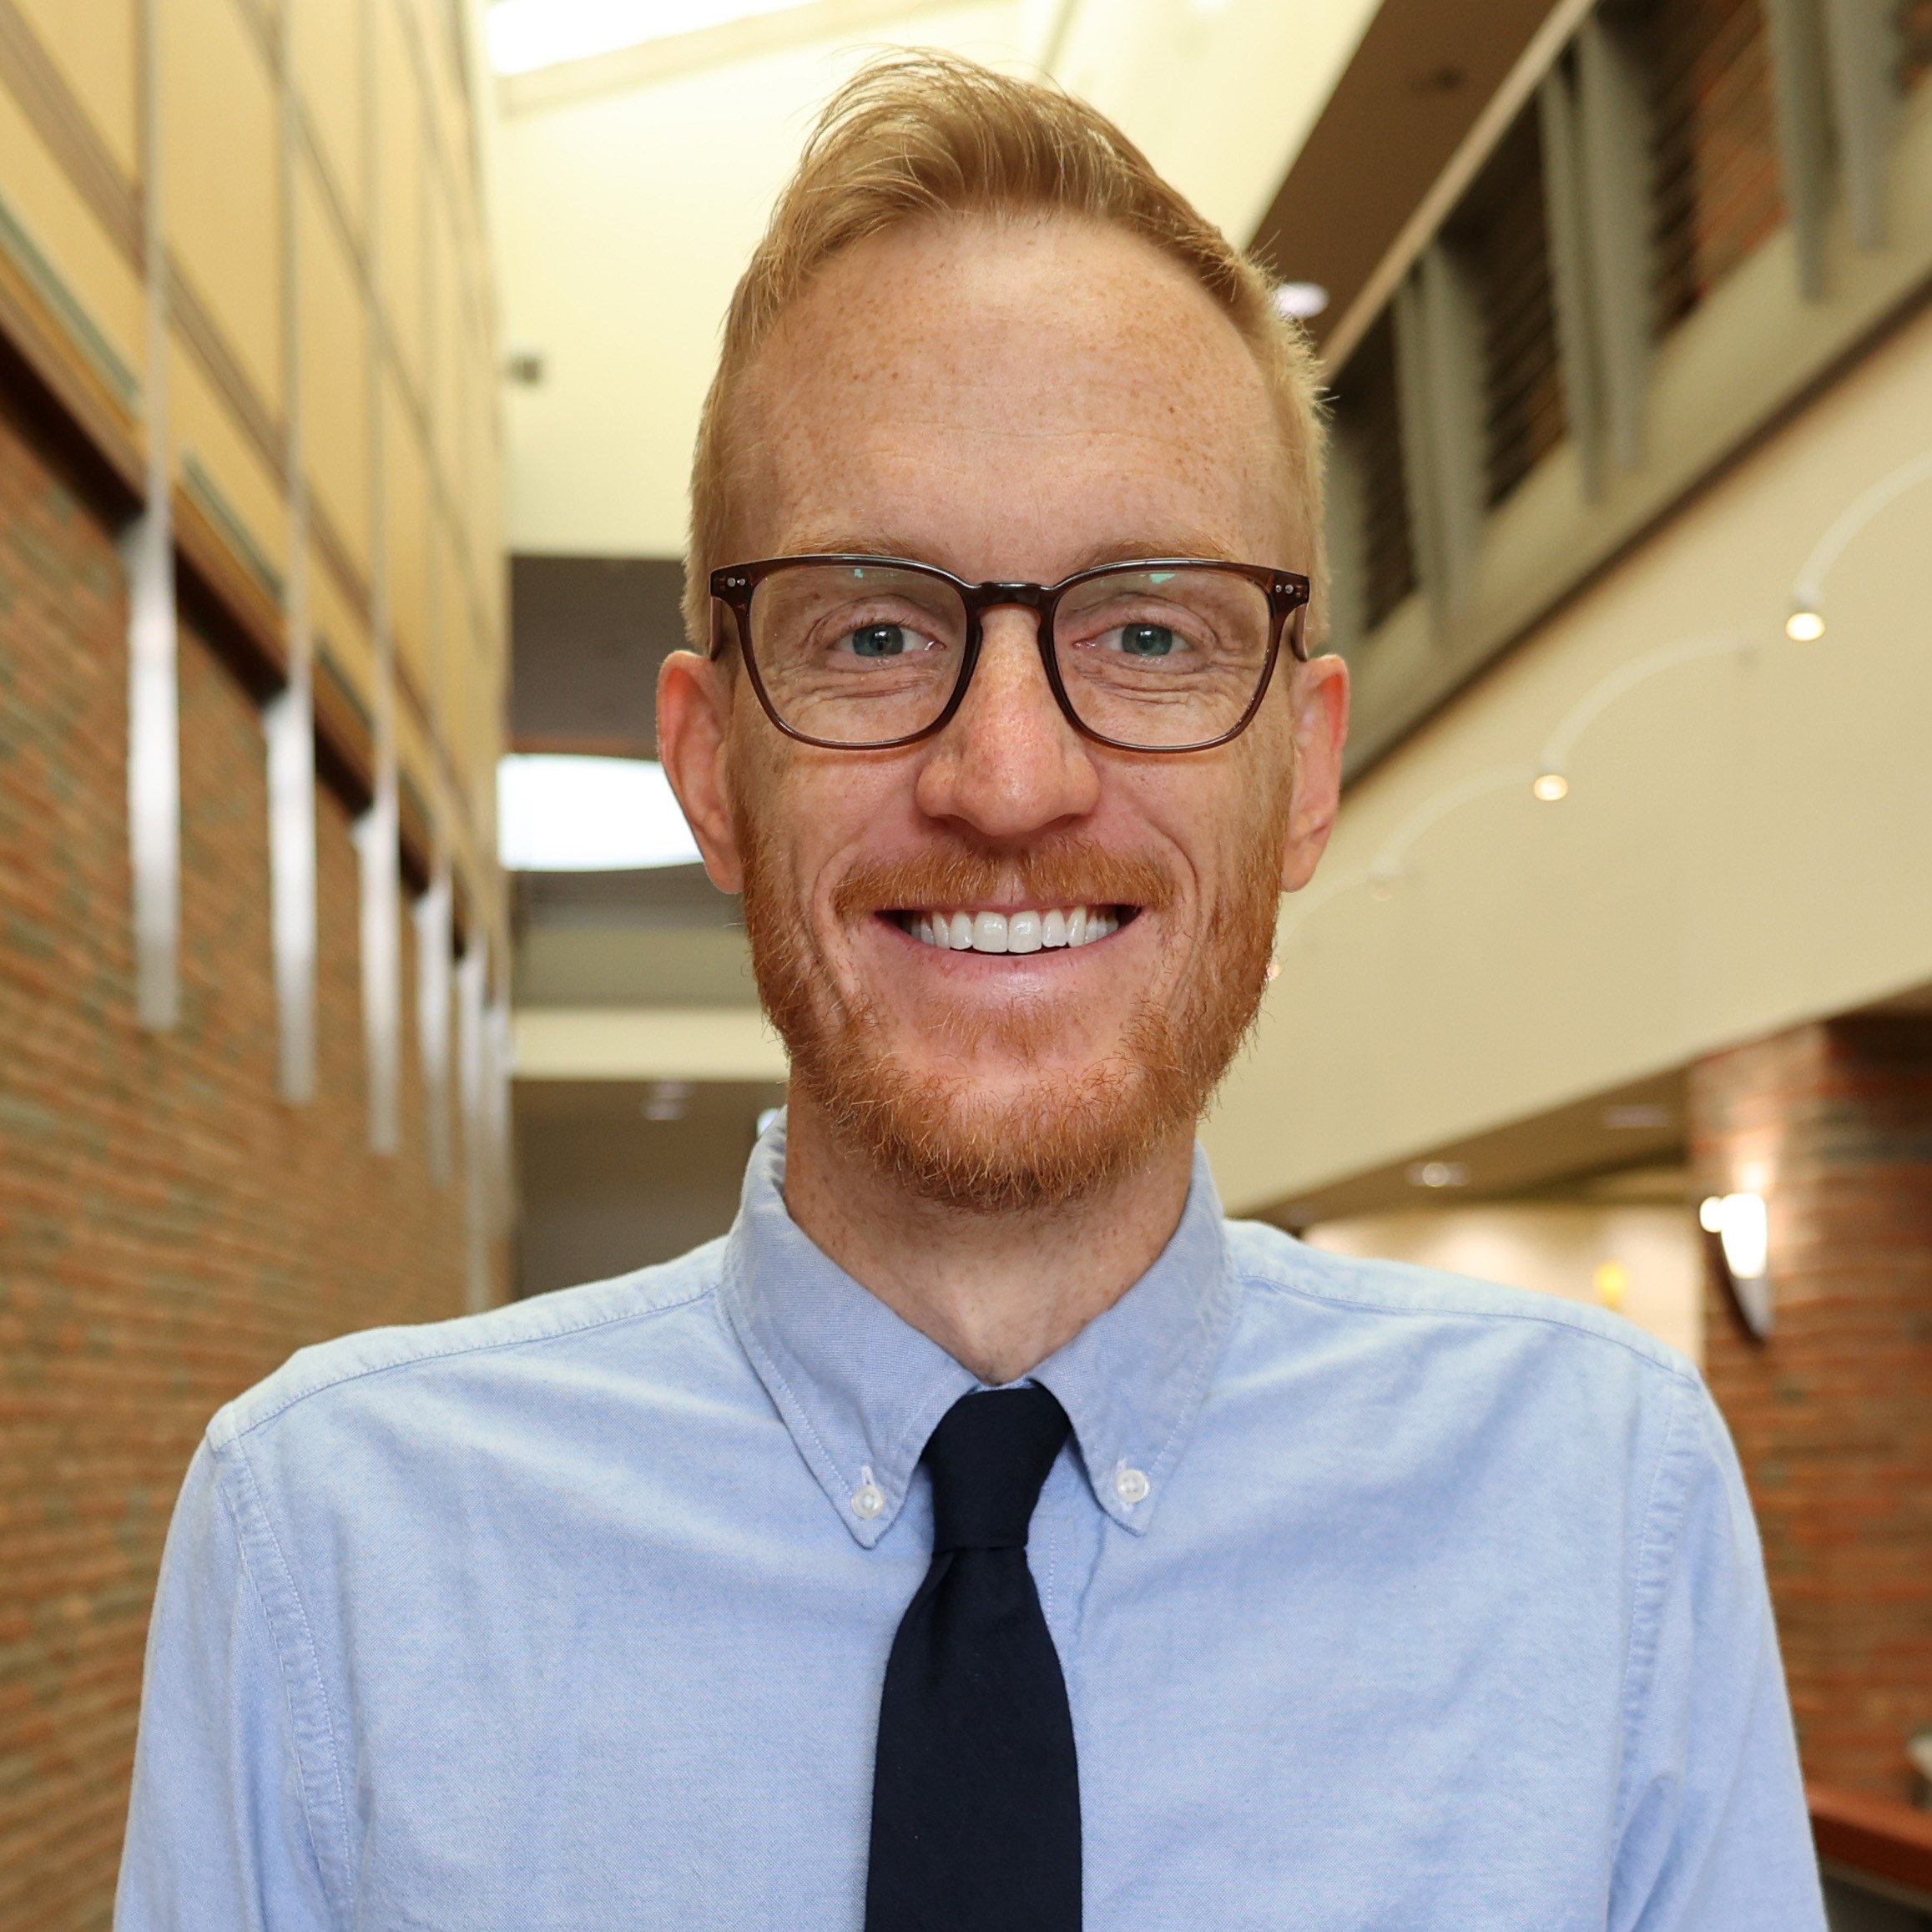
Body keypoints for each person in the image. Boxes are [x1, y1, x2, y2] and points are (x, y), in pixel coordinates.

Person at [117, 53, 1824, 1932]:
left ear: (1305, 771)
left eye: (1151, 630)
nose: (1008, 779)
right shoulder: (333, 1558)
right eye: (873, 630)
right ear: (709, 769)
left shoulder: (1606, 1512)